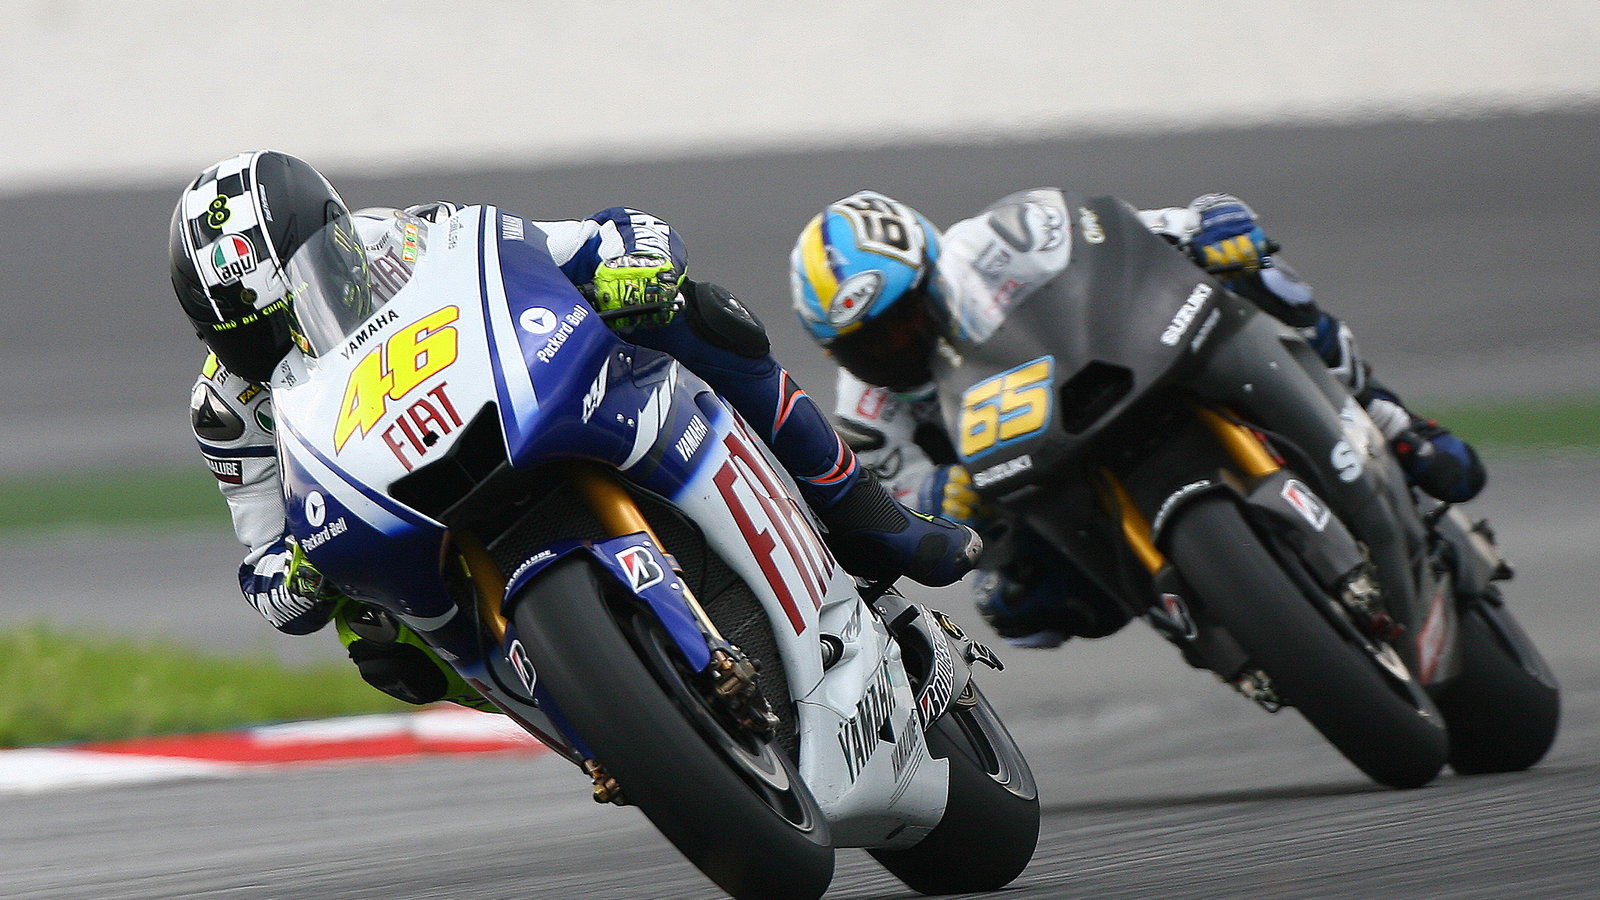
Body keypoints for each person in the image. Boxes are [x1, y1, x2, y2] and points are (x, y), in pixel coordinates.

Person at [173, 151, 979, 708]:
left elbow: (582, 243)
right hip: (401, 514)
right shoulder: (228, 410)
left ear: (334, 240)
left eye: (282, 321)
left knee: (692, 314)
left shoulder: (408, 238)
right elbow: (265, 565)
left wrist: (631, 260)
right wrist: (299, 575)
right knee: (373, 638)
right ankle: (573, 709)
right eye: (246, 336)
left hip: (512, 410)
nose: (273, 349)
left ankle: (870, 519)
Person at [789, 189, 1486, 648]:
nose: (898, 346)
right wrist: (940, 500)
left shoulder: (1004, 240)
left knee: (1253, 272)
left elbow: (1131, 237)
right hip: (1048, 476)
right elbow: (891, 505)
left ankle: (1387, 414)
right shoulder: (868, 408)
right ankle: (1221, 622)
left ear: (934, 269)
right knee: (1016, 607)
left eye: (905, 319)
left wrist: (1208, 226)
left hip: (1125, 365)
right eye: (868, 344)